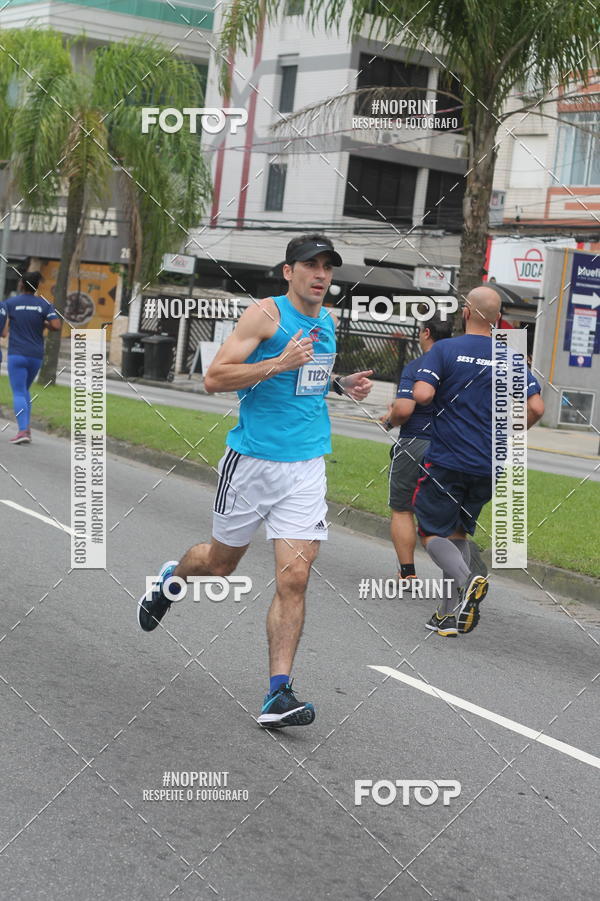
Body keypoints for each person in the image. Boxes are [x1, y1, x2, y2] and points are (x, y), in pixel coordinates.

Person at [138, 234, 373, 727]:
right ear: (288, 271)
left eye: (328, 266)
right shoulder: (264, 316)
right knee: (220, 565)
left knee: (296, 577)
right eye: (310, 264)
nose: (320, 274)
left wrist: (340, 384)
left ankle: (278, 694)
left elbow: (307, 380)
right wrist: (277, 363)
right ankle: (171, 579)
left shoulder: (327, 323)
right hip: (251, 464)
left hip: (306, 467)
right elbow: (216, 378)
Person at [412, 286, 544, 637]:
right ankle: (446, 615)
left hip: (445, 459)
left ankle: (469, 580)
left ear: (466, 312)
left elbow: (423, 394)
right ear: (498, 319)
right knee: (456, 535)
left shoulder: (444, 350)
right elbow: (536, 408)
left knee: (429, 531)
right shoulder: (513, 358)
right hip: (488, 463)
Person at [379, 313, 453, 581]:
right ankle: (458, 575)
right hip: (450, 447)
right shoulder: (457, 366)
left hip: (415, 443)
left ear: (425, 333)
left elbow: (405, 409)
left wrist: (390, 418)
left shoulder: (417, 366)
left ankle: (408, 573)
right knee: (446, 513)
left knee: (402, 508)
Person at [0, 271, 61, 444]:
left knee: (18, 392)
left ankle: (22, 431)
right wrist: (44, 323)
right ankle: (26, 428)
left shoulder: (10, 303)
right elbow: (56, 325)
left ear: (21, 285)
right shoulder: (44, 304)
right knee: (25, 391)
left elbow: (3, 332)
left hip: (17, 354)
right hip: (35, 355)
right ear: (37, 286)